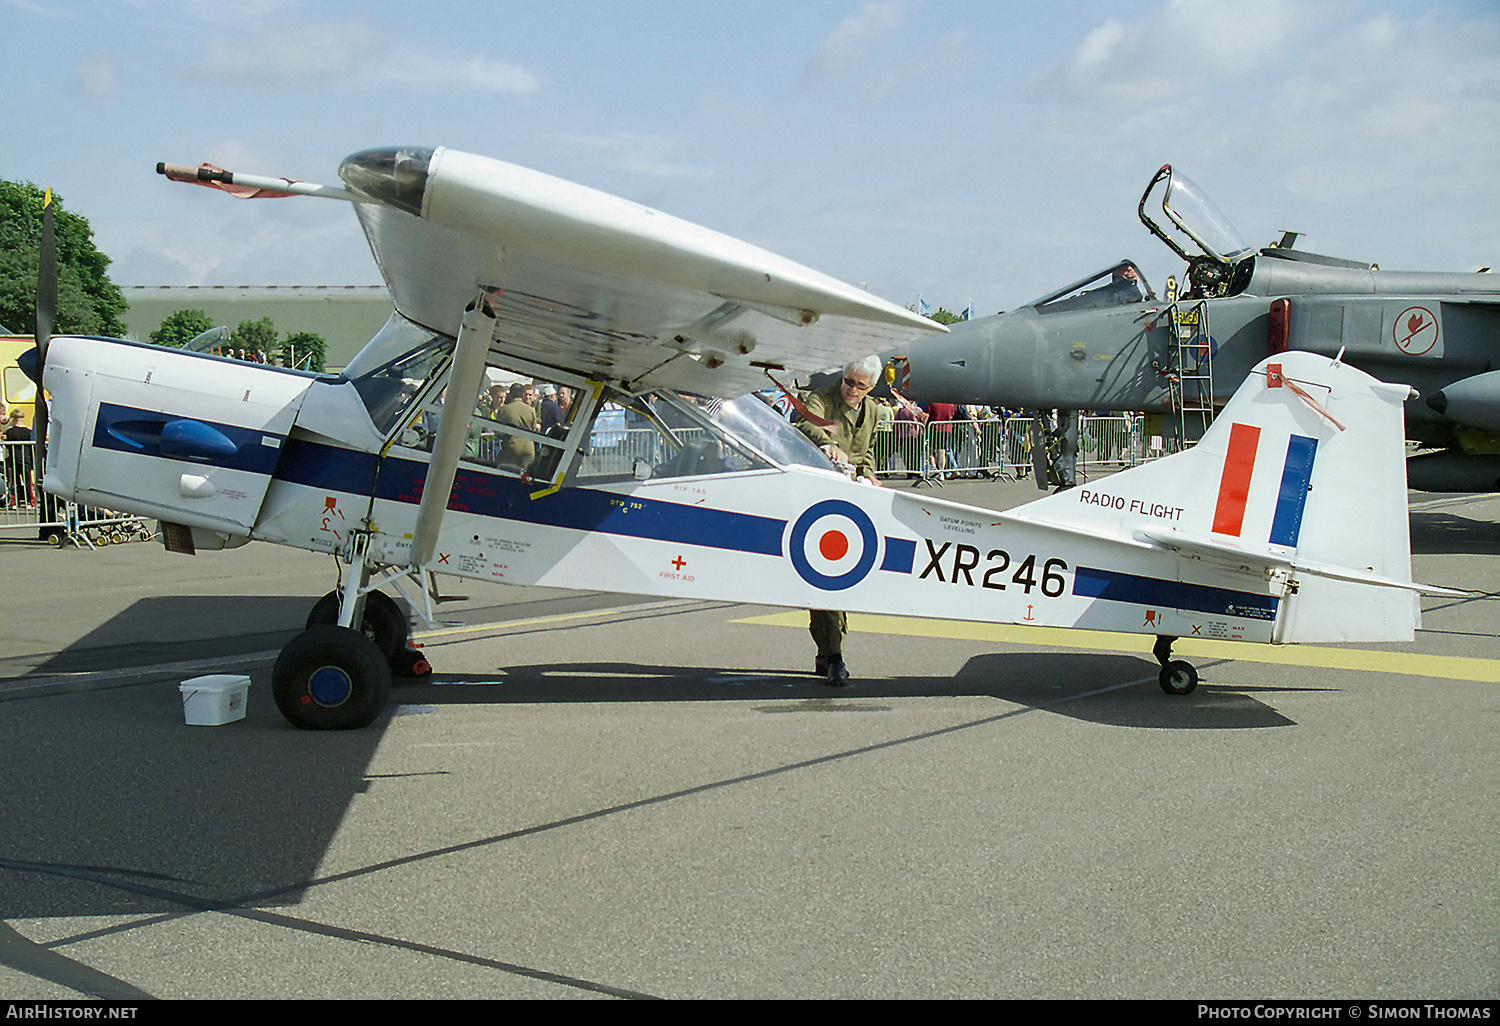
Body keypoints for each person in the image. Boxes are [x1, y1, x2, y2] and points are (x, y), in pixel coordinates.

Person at [795, 355, 882, 685]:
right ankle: (832, 654)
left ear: (871, 387)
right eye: (849, 381)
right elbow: (803, 421)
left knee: (843, 578)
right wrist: (828, 444)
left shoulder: (872, 410)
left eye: (861, 386)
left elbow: (867, 451)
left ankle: (829, 653)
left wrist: (870, 476)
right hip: (820, 497)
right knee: (827, 577)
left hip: (852, 500)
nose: (853, 389)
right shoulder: (822, 397)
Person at [495, 383, 539, 472]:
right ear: (523, 394)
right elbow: (533, 429)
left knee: (501, 472)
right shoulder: (531, 410)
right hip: (528, 449)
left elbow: (498, 431)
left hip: (511, 448)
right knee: (525, 476)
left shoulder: (504, 410)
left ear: (510, 394)